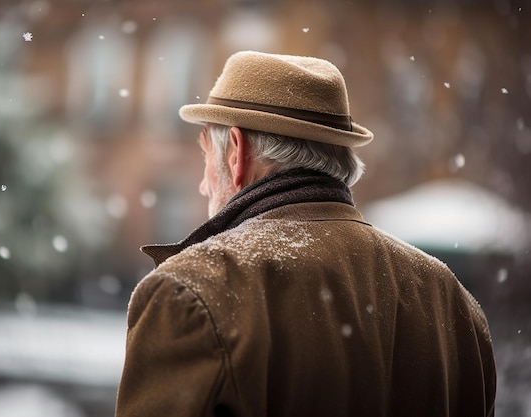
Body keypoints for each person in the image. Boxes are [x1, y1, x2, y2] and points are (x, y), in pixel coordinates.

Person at [115, 51, 496, 417]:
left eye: (204, 158)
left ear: (236, 152)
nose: (202, 185)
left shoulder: (192, 290)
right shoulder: (453, 302)